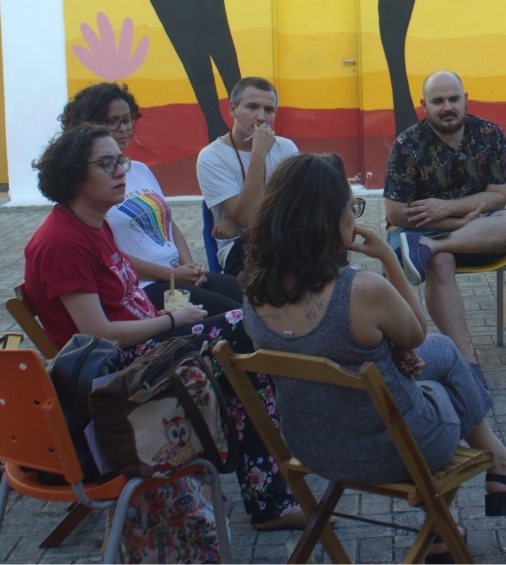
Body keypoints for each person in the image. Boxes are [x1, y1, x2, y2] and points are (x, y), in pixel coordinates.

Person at [21, 125, 303, 532]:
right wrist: (174, 319)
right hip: (124, 370)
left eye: (120, 160)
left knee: (248, 347)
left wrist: (175, 281)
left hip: (147, 342)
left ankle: (268, 488)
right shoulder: (63, 242)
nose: (121, 170)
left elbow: (122, 281)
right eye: (106, 163)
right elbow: (97, 334)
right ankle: (273, 485)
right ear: (72, 175)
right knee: (249, 328)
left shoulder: (90, 221)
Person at [239, 153, 506, 542]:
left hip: (311, 449)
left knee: (433, 359)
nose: (355, 218)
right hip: (395, 450)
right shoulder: (361, 291)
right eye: (351, 207)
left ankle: (453, 518)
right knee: (441, 362)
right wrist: (386, 258)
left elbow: (322, 346)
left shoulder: (254, 292)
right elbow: (416, 333)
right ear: (327, 217)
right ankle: (500, 468)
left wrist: (383, 353)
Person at [383, 70, 506, 371]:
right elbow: (396, 213)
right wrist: (454, 220)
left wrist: (444, 209)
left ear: (465, 100)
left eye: (453, 99)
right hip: (415, 233)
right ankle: (467, 363)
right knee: (441, 261)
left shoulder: (490, 134)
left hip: (477, 232)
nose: (447, 106)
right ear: (424, 105)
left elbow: (499, 196)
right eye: (438, 101)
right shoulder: (407, 144)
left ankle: (432, 247)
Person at [59, 82, 242, 316]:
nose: (124, 128)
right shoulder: (89, 184)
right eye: (113, 121)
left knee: (258, 297)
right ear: (89, 125)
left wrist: (188, 265)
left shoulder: (140, 169)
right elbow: (108, 256)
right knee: (239, 316)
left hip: (177, 276)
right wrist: (172, 275)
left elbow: (169, 225)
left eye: (127, 120)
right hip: (142, 287)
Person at [197, 76, 298, 276]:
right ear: (233, 109)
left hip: (285, 238)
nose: (261, 117)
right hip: (240, 249)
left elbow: (295, 207)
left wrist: (235, 221)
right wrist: (258, 154)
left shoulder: (286, 148)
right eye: (251, 107)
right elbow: (249, 217)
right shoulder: (211, 157)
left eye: (269, 110)